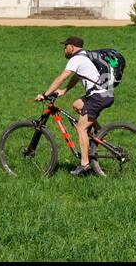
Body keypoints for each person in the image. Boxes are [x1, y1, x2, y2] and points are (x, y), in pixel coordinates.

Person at [36, 36, 114, 177]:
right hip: (102, 93)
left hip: (98, 96)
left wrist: (45, 94)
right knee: (77, 105)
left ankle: (84, 164)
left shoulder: (76, 59)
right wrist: (64, 91)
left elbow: (62, 77)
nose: (64, 49)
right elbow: (76, 77)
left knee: (80, 127)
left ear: (72, 47)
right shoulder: (85, 56)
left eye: (65, 46)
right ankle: (99, 133)